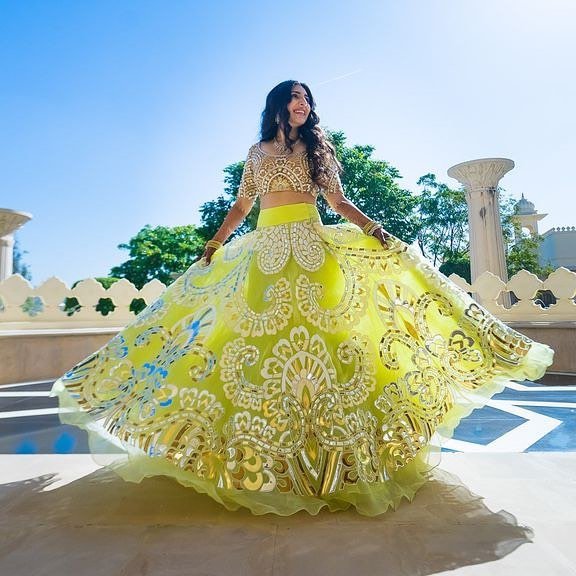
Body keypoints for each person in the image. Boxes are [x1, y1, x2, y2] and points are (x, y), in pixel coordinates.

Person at [52, 80, 554, 516]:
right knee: (257, 349)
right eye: (295, 97)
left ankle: (343, 461)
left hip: (314, 252)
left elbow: (337, 202)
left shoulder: (319, 148)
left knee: (330, 348)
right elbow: (243, 204)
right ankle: (263, 462)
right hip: (265, 254)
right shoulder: (256, 153)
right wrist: (215, 242)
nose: (304, 105)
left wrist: (373, 227)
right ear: (277, 105)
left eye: (308, 99)